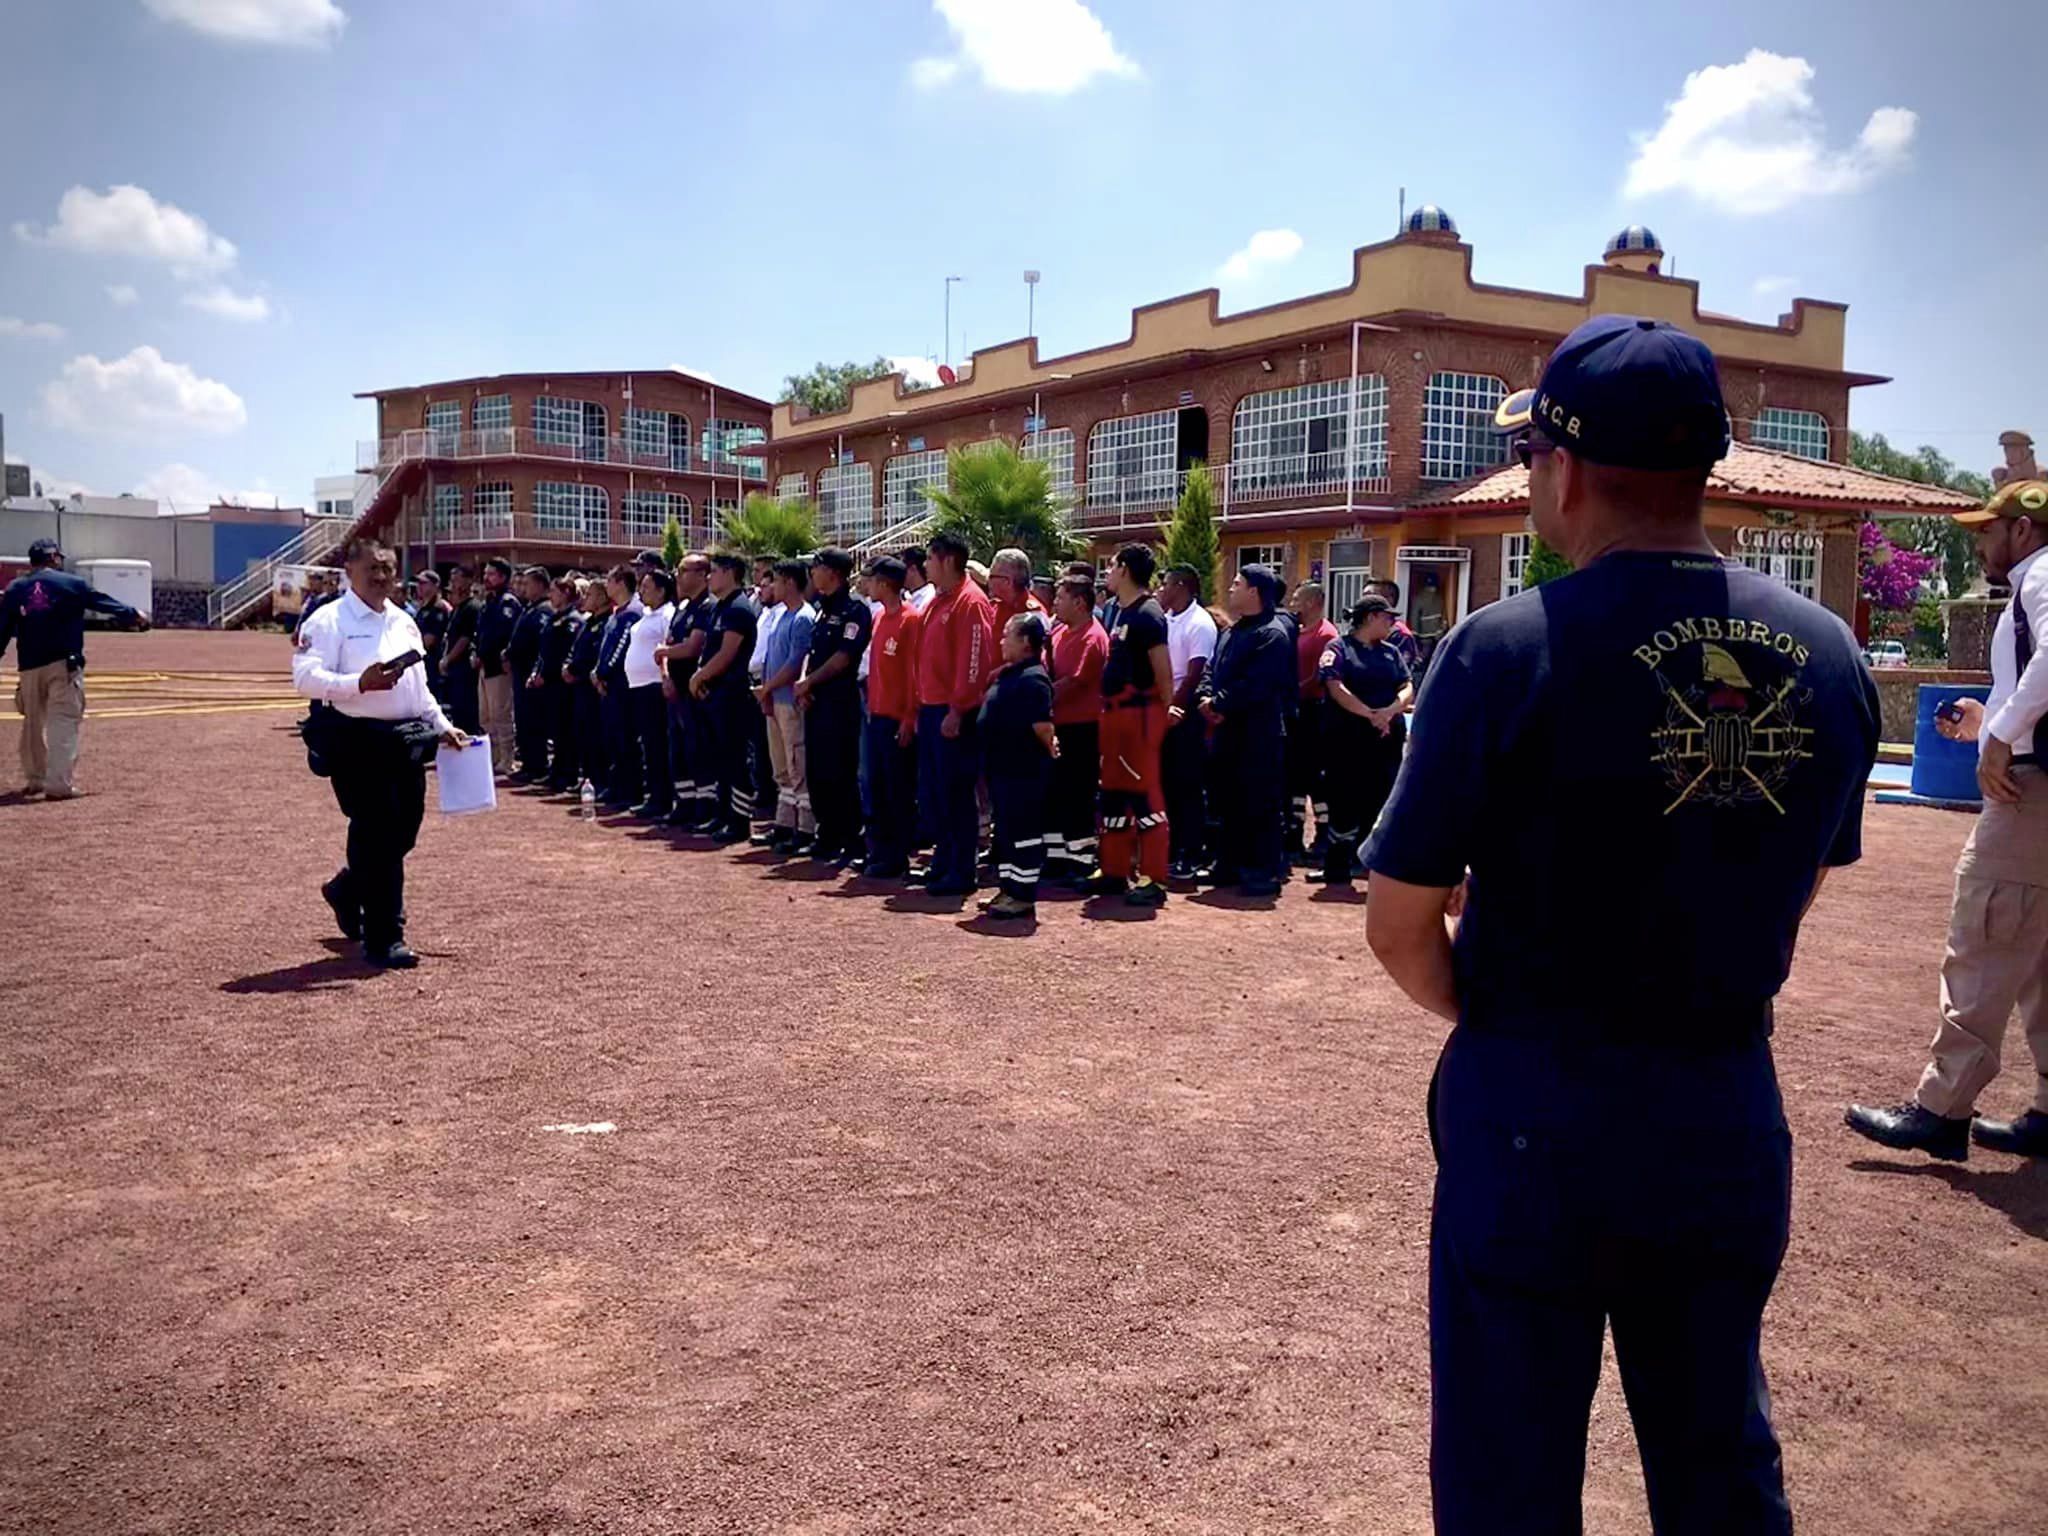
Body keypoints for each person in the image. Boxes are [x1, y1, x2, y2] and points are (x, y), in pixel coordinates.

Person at [1363, 317, 1878, 1534]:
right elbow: (1802, 879)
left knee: (1507, 1464)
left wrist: (1494, 1011)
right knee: (1715, 1455)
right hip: (1719, 1101)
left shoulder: (1502, 650)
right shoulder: (1827, 650)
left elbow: (1395, 925)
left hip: (1536, 1103)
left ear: (1563, 466)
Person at [1847, 477, 2048, 1160]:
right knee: (2042, 951)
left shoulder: (2042, 573)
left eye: (1989, 530)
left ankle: (1943, 1106)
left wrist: (2001, 735)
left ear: (2023, 529)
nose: (1981, 542)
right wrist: (1992, 721)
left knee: (1986, 929)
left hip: (2033, 793)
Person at [291, 537, 469, 968]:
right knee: (376, 832)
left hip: (404, 741)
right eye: (373, 567)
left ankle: (348, 889)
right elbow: (306, 678)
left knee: (404, 829)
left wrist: (442, 726)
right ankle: (384, 934)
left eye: (388, 568)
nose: (382, 576)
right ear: (349, 570)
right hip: (355, 739)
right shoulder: (328, 620)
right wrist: (358, 683)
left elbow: (418, 686)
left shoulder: (403, 621)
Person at [0, 537, 149, 799]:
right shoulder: (71, 584)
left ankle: (35, 779)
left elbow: (2, 630)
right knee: (63, 721)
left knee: (32, 722)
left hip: (29, 667)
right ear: (54, 558)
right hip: (63, 664)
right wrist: (134, 615)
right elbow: (102, 602)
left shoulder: (15, 589)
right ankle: (58, 783)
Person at [1197, 565, 1293, 897]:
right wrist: (1206, 697)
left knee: (1259, 803)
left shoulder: (1272, 634)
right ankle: (1229, 864)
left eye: (1237, 584)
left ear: (1254, 592)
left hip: (1258, 734)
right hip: (1227, 732)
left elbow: (1258, 685)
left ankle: (1262, 870)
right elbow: (1212, 668)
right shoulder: (1232, 631)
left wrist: (1219, 703)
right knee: (1227, 799)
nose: (1231, 589)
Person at [1088, 543, 1175, 907]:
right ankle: (1114, 870)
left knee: (1144, 795)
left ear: (1124, 569)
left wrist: (1159, 718)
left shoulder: (1148, 614)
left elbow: (1164, 676)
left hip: (1137, 717)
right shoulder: (1116, 611)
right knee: (1113, 794)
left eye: (1110, 565)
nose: (1106, 572)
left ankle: (1154, 878)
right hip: (1114, 717)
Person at [912, 529, 997, 895]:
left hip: (954, 714)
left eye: (929, 558)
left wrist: (958, 709)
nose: (925, 565)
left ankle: (961, 872)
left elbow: (974, 663)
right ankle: (943, 861)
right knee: (937, 794)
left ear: (947, 560)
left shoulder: (970, 602)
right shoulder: (937, 601)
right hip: (931, 710)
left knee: (956, 795)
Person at [1311, 594, 1412, 887]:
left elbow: (1406, 686)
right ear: (1370, 618)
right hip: (1348, 741)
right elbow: (1334, 685)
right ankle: (1338, 866)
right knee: (1344, 801)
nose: (1392, 623)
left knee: (1381, 801)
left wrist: (1390, 711)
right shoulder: (1339, 648)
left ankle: (1370, 865)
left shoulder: (1392, 652)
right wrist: (1369, 714)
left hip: (1385, 741)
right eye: (1387, 617)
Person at [977, 613, 1059, 920]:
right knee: (1008, 833)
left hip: (1022, 771)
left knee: (1023, 833)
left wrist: (1051, 746)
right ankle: (1008, 888)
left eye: (1007, 634)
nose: (1001, 640)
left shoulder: (1034, 677)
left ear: (1025, 642)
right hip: (1003, 769)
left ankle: (1022, 896)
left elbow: (1043, 727)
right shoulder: (1012, 673)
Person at [797, 545, 872, 866]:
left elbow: (844, 657)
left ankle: (850, 839)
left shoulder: (854, 609)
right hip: (815, 699)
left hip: (839, 701)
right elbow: (812, 653)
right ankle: (826, 834)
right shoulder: (821, 607)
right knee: (817, 770)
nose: (812, 573)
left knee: (840, 770)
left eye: (817, 567)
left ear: (834, 573)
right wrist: (805, 682)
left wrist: (809, 682)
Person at [691, 552, 762, 843]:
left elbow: (728, 652)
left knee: (734, 759)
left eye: (715, 571)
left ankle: (739, 821)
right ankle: (722, 815)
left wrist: (699, 676)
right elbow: (710, 649)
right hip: (715, 693)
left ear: (731, 572)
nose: (710, 577)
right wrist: (702, 675)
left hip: (732, 694)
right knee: (719, 757)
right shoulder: (719, 608)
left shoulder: (738, 608)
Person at [1045, 573, 1108, 885]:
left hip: (1083, 728)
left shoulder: (1093, 637)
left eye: (1061, 597)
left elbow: (1074, 682)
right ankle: (1057, 859)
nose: (1055, 602)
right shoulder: (1059, 633)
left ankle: (1081, 860)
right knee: (1055, 795)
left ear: (1079, 602)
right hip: (1059, 725)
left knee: (1078, 795)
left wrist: (1039, 696)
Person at [863, 556, 924, 879]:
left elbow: (914, 674)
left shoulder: (909, 620)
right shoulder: (879, 618)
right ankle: (881, 850)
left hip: (896, 718)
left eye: (871, 580)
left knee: (897, 789)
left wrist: (908, 718)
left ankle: (897, 855)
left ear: (885, 584)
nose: (867, 586)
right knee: (877, 787)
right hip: (876, 714)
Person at [753, 558, 818, 853]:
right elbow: (771, 657)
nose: (772, 587)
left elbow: (795, 662)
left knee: (797, 762)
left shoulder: (803, 617)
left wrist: (768, 688)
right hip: (775, 699)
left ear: (790, 582)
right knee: (781, 765)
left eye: (777, 581)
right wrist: (766, 692)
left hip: (789, 700)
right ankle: (784, 823)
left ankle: (805, 827)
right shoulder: (781, 615)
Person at [1160, 565, 1218, 880]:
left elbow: (1194, 674)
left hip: (1186, 715)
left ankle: (1190, 853)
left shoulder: (1200, 623)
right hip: (1164, 711)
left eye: (1165, 583)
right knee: (1167, 784)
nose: (1161, 588)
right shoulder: (1167, 619)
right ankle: (1170, 848)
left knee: (1187, 787)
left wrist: (1174, 709)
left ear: (1181, 586)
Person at [658, 553, 718, 830]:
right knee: (678, 750)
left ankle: (704, 806)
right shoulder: (682, 607)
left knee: (700, 749)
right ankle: (684, 803)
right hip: (676, 689)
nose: (678, 575)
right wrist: (666, 675)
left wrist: (664, 651)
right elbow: (670, 644)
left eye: (684, 570)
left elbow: (693, 647)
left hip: (697, 691)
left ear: (702, 574)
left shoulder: (707, 606)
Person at [1289, 580, 1339, 862]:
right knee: (1296, 775)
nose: (1292, 604)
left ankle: (1323, 833)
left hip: (1314, 710)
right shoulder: (1297, 631)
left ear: (1311, 603)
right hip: (1296, 711)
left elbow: (1319, 676)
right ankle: (1294, 832)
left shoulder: (1325, 635)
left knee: (1315, 776)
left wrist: (1293, 690)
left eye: (1297, 599)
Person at [625, 567, 677, 821]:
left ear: (661, 590)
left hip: (654, 686)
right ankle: (653, 794)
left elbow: (667, 646)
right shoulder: (647, 614)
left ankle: (662, 798)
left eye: (646, 587)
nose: (641, 591)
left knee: (657, 743)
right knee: (647, 743)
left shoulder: (667, 614)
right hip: (638, 686)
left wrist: (665, 678)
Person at [594, 565, 643, 811]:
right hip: (608, 686)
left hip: (622, 686)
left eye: (609, 580)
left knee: (625, 739)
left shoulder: (632, 613)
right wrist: (597, 671)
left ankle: (630, 789)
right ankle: (616, 784)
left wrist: (604, 673)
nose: (606, 585)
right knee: (612, 737)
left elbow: (621, 650)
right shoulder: (616, 614)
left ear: (621, 582)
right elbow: (605, 648)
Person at [472, 557, 522, 777]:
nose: (486, 577)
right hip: (484, 666)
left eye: (491, 574)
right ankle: (493, 758)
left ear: (502, 577)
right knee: (485, 716)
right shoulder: (488, 602)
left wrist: (496, 656)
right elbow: (480, 634)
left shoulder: (508, 602)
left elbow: (504, 634)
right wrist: (476, 653)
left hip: (498, 667)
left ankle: (507, 759)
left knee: (501, 715)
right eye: (486, 573)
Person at [535, 574, 585, 792]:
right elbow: (544, 651)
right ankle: (556, 771)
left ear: (566, 593)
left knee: (565, 730)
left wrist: (549, 672)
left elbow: (565, 653)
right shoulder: (555, 618)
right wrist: (537, 671)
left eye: (554, 591)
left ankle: (567, 774)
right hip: (548, 682)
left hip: (562, 683)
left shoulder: (572, 619)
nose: (550, 596)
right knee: (554, 729)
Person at [566, 576, 611, 798]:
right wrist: (568, 667)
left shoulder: (606, 622)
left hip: (593, 686)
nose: (586, 598)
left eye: (591, 594)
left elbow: (596, 654)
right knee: (582, 733)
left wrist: (576, 670)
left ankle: (600, 780)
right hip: (578, 686)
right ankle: (588, 777)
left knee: (596, 735)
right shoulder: (588, 622)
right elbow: (575, 650)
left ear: (602, 597)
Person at [508, 566, 554, 783]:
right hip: (519, 673)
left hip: (531, 673)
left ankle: (537, 765)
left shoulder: (544, 610)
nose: (522, 588)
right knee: (524, 720)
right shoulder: (529, 608)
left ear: (540, 585)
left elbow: (541, 643)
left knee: (534, 721)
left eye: (527, 583)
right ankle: (528, 763)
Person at [440, 564, 482, 735]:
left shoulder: (472, 607)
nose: (454, 584)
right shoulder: (458, 607)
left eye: (457, 579)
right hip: (455, 670)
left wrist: (447, 659)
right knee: (457, 712)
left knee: (467, 713)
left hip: (465, 668)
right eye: (452, 580)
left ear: (468, 581)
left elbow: (465, 638)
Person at [1370, 577, 1423, 676]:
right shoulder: (1363, 630)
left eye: (1372, 596)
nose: (1364, 601)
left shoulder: (1400, 635)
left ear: (1389, 600)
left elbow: (1399, 674)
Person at [413, 570, 452, 702]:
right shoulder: (424, 607)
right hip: (423, 662)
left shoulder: (438, 608)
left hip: (433, 662)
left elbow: (429, 641)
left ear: (435, 586)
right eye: (418, 583)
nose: (419, 586)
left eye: (423, 583)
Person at [988, 547, 1048, 631]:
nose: (988, 581)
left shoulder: (1035, 615)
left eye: (992, 576)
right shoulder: (993, 607)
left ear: (1007, 582)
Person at [900, 545, 937, 613]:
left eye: (902, 569)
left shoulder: (930, 598)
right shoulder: (905, 596)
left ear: (912, 569)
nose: (899, 573)